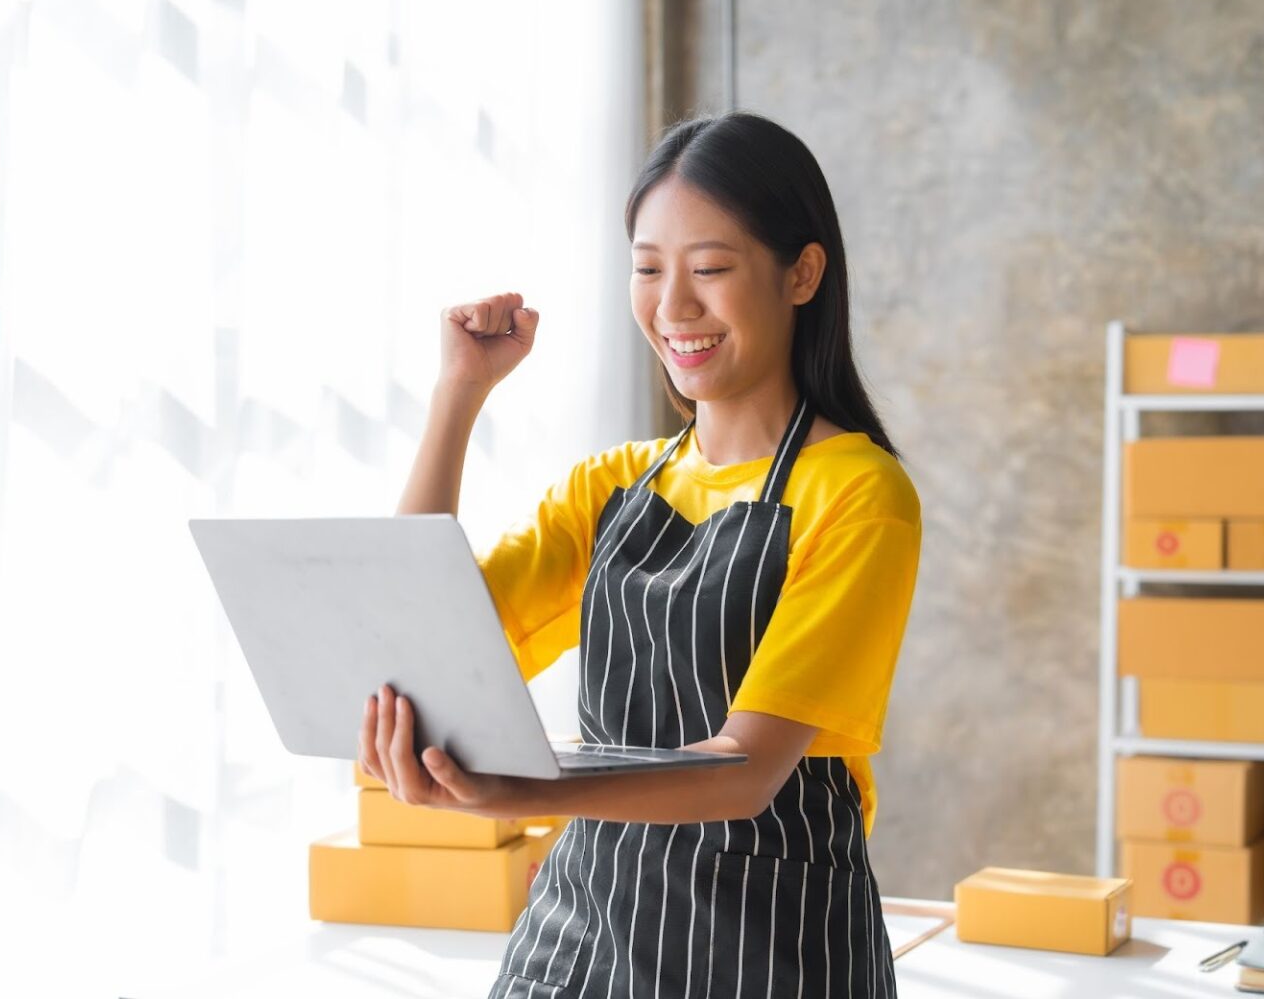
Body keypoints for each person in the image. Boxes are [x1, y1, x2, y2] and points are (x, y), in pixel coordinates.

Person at [358, 111, 921, 997]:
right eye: (649, 269)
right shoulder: (610, 488)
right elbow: (410, 645)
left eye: (711, 269)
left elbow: (744, 771)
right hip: (581, 932)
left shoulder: (859, 494)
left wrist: (521, 790)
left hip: (768, 947)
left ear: (802, 273)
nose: (674, 306)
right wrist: (458, 393)